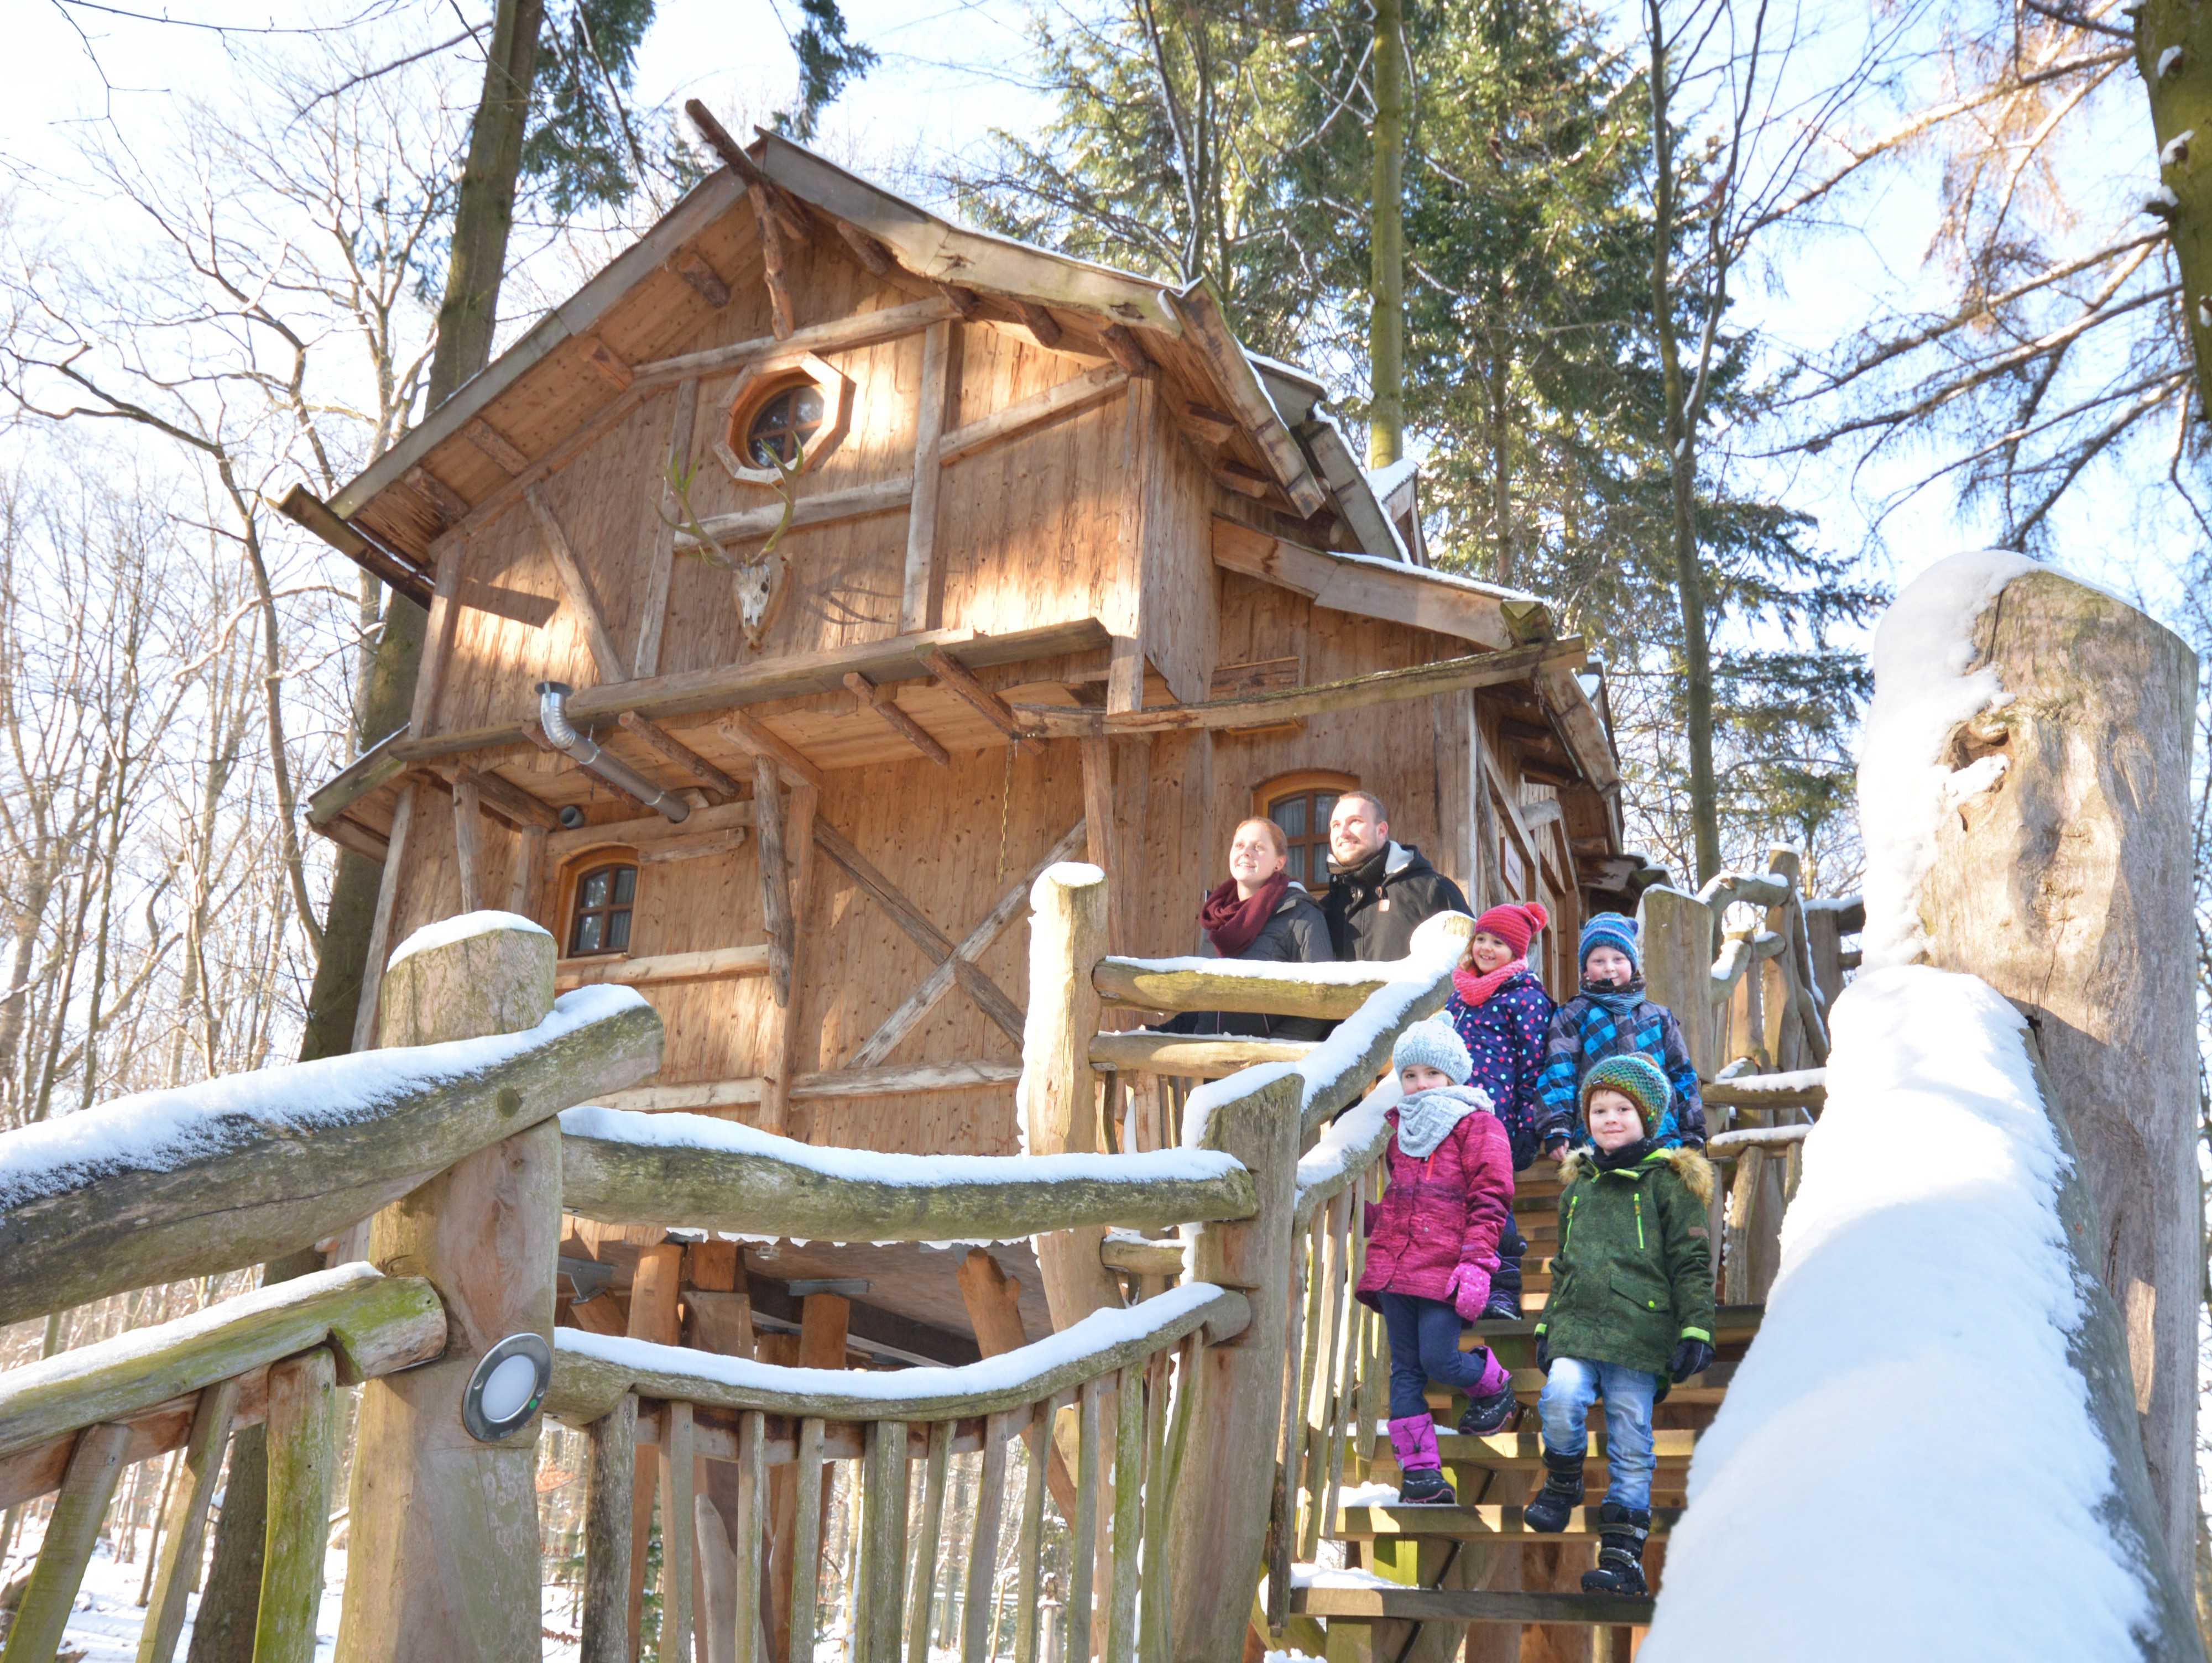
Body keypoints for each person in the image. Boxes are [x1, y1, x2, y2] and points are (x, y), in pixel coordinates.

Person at [1525, 1054, 1715, 1596]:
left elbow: (1690, 1262)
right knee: (1559, 1396)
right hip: (1578, 1325)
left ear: (1647, 1117)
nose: (1609, 1118)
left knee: (1630, 1439)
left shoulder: (1668, 1183)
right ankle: (1564, 1479)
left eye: (1623, 1109)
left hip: (1639, 1332)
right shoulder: (1578, 1186)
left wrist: (1696, 1328)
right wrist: (1547, 1326)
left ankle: (1622, 1556)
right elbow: (1564, 1263)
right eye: (1599, 1109)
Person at [1354, 1018, 1517, 1505]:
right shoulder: (1401, 1134)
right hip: (1396, 1270)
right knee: (1404, 1373)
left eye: (1432, 1074)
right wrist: (1367, 1218)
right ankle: (1421, 1473)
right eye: (1410, 1075)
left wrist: (1477, 1263)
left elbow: (1491, 1199)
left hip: (1445, 1269)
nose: (1421, 1084)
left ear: (1453, 1076)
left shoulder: (1478, 1125)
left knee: (1438, 1358)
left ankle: (1494, 1383)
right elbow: (1406, 1204)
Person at [1441, 901, 1556, 1321]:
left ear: (1517, 952)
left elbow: (1534, 1067)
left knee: (1492, 1202)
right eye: (1482, 939)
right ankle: (1462, 1286)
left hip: (1495, 1121)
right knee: (1454, 1199)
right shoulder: (1459, 995)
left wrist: (1528, 1126)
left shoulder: (1526, 997)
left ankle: (1503, 1291)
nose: (1487, 949)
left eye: (1499, 943)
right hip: (1452, 1116)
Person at [1535, 913, 1706, 1158]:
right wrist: (1556, 1126)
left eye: (1618, 959)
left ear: (1632, 964)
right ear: (1585, 970)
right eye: (1598, 961)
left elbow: (1681, 1072)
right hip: (1597, 1138)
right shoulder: (1573, 1015)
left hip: (1661, 1136)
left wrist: (1692, 1129)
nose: (1609, 967)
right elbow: (1559, 1071)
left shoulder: (1658, 1016)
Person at [1166, 817, 1334, 1041]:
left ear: (1279, 863)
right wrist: (1160, 1031)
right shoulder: (1216, 918)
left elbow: (1321, 1003)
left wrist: (1268, 1051)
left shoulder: (1301, 915)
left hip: (1267, 1060)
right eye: (1239, 845)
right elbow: (1204, 1006)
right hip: (1208, 1057)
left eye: (1258, 847)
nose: (1246, 852)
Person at [1321, 791, 1470, 963]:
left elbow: (1471, 964)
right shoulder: (1326, 908)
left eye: (1355, 821)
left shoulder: (1431, 890)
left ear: (1381, 830)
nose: (1343, 832)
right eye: (1336, 825)